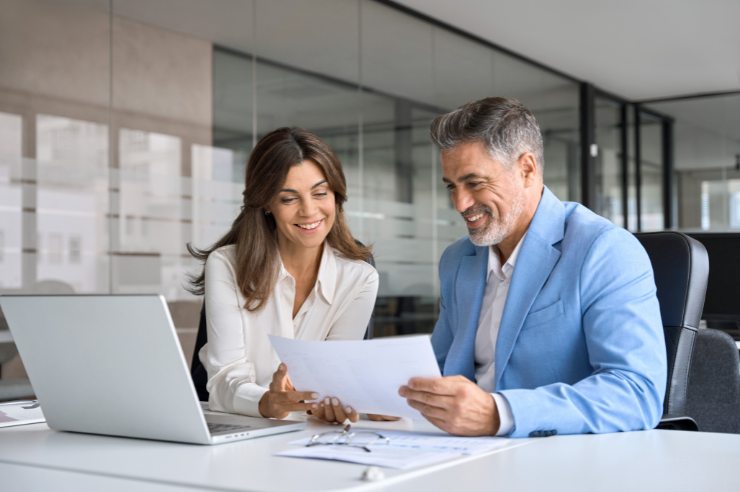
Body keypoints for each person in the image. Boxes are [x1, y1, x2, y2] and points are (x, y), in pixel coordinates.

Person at [399, 97, 667, 438]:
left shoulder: (604, 250)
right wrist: (372, 400)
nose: (460, 203)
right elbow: (435, 371)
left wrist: (500, 413)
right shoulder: (458, 260)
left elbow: (636, 392)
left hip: (558, 457)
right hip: (461, 451)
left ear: (526, 169)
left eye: (475, 183)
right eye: (452, 186)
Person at [188, 127, 378, 423]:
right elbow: (224, 379)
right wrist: (267, 402)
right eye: (289, 199)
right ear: (266, 203)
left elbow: (333, 381)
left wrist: (356, 400)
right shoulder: (226, 264)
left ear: (336, 195)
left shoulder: (360, 277)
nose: (309, 210)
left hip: (304, 432)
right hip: (233, 426)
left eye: (320, 193)